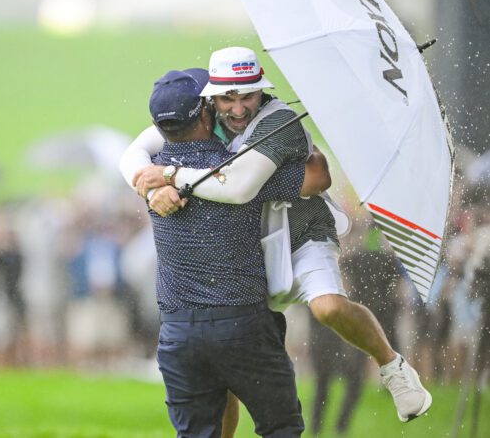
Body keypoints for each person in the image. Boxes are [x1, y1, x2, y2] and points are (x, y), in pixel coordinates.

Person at [119, 46, 432, 430]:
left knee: (327, 308)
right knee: (226, 368)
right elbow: (133, 153)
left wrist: (169, 176)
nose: (238, 109)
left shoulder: (279, 121)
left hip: (301, 232)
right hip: (251, 240)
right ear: (210, 99)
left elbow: (248, 186)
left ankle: (392, 366)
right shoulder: (207, 114)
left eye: (248, 96)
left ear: (261, 90)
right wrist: (150, 187)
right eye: (228, 98)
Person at [138, 67, 331, 437]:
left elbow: (139, 161)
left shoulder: (150, 175)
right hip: (244, 325)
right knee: (281, 428)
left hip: (178, 331)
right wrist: (305, 145)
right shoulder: (237, 167)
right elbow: (318, 178)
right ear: (206, 112)